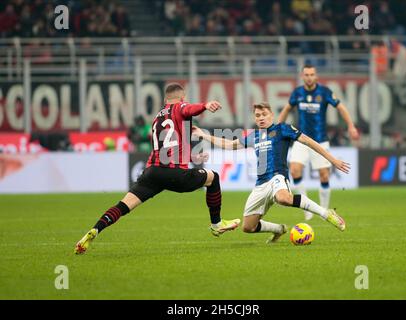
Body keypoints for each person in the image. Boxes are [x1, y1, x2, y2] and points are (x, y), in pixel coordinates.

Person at [74, 83, 240, 254]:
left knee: (124, 205)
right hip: (175, 173)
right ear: (181, 99)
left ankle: (95, 230)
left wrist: (193, 157)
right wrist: (204, 105)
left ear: (164, 99)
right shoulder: (180, 108)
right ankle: (216, 224)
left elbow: (168, 146)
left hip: (152, 172)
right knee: (213, 177)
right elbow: (189, 109)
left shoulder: (157, 119)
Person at [192, 102, 349, 243]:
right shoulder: (254, 136)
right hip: (261, 184)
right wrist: (204, 135)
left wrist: (332, 160)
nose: (261, 118)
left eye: (264, 114)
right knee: (248, 227)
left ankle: (325, 213)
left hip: (277, 177)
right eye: (258, 115)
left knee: (284, 198)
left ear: (272, 115)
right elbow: (229, 144)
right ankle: (279, 230)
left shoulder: (282, 129)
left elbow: (310, 142)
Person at [278, 64, 359, 220]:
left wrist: (350, 125)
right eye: (306, 74)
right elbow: (287, 109)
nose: (309, 77)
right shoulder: (297, 93)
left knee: (324, 176)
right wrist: (276, 128)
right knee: (294, 170)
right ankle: (307, 210)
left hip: (320, 140)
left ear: (316, 76)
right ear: (303, 76)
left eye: (311, 74)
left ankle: (324, 210)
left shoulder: (324, 92)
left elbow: (340, 107)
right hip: (300, 139)